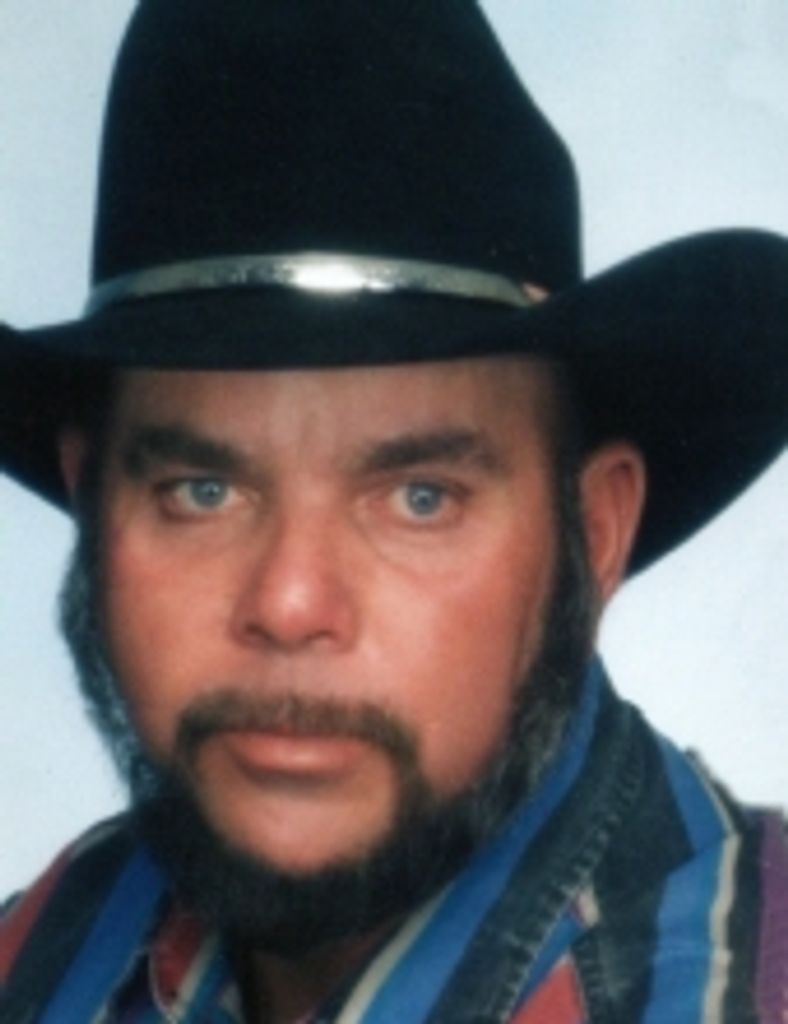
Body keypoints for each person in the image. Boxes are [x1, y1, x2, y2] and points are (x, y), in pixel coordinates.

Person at [1, 1, 787, 1020]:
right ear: (91, 501)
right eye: (202, 491)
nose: (289, 605)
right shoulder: (42, 952)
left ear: (594, 533)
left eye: (420, 498)